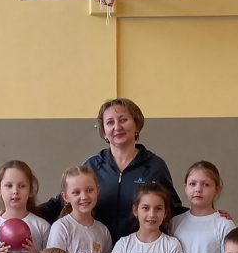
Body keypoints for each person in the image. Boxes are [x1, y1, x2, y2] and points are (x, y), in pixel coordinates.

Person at [36, 98, 184, 243]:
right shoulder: (92, 166)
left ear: (137, 124)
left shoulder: (155, 166)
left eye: (123, 120)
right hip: (97, 251)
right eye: (110, 122)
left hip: (140, 252)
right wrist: (27, 213)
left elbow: (174, 209)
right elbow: (61, 201)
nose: (117, 127)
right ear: (104, 131)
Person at [47, 165, 113, 253]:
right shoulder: (61, 228)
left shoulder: (103, 230)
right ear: (66, 196)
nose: (84, 196)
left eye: (89, 190)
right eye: (76, 192)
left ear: (97, 190)